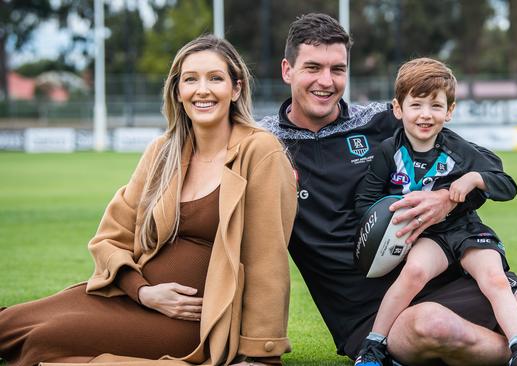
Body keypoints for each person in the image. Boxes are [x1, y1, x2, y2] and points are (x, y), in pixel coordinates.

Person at [260, 13, 517, 366]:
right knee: (435, 326)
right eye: (313, 68)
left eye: (337, 69)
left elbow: (482, 162)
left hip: (445, 271)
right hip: (369, 312)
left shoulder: (383, 121)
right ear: (287, 70)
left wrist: (445, 199)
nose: (326, 81)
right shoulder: (263, 144)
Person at [0, 35, 297, 366]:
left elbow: (266, 259)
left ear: (236, 89)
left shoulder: (260, 151)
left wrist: (261, 355)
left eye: (215, 78)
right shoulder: (162, 151)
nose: (202, 90)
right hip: (134, 298)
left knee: (44, 337)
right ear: (177, 91)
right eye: (190, 79)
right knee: (13, 321)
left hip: (194, 324)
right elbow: (110, 237)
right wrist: (143, 291)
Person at [353, 58, 517, 366]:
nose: (425, 114)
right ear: (398, 109)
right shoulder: (389, 150)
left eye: (436, 106)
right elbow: (365, 200)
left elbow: (507, 185)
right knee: (413, 273)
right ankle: (372, 347)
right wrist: (390, 216)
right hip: (429, 235)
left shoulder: (459, 148)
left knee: (494, 278)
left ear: (449, 112)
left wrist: (474, 178)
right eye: (416, 105)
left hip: (466, 229)